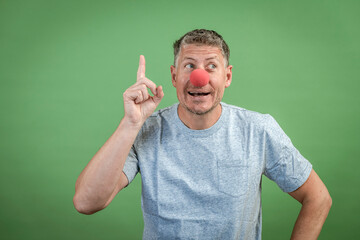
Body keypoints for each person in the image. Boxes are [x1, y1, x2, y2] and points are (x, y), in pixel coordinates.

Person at [73, 29, 332, 239]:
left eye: (211, 66)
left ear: (227, 76)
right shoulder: (145, 130)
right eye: (189, 66)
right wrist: (130, 123)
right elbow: (87, 202)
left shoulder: (258, 130)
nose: (199, 77)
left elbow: (318, 198)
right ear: (174, 77)